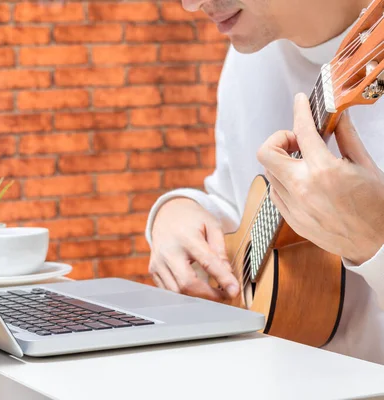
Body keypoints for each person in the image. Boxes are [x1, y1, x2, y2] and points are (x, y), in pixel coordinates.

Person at [145, 0, 384, 364]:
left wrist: (374, 240)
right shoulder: (249, 51)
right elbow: (239, 201)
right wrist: (178, 210)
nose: (191, 5)